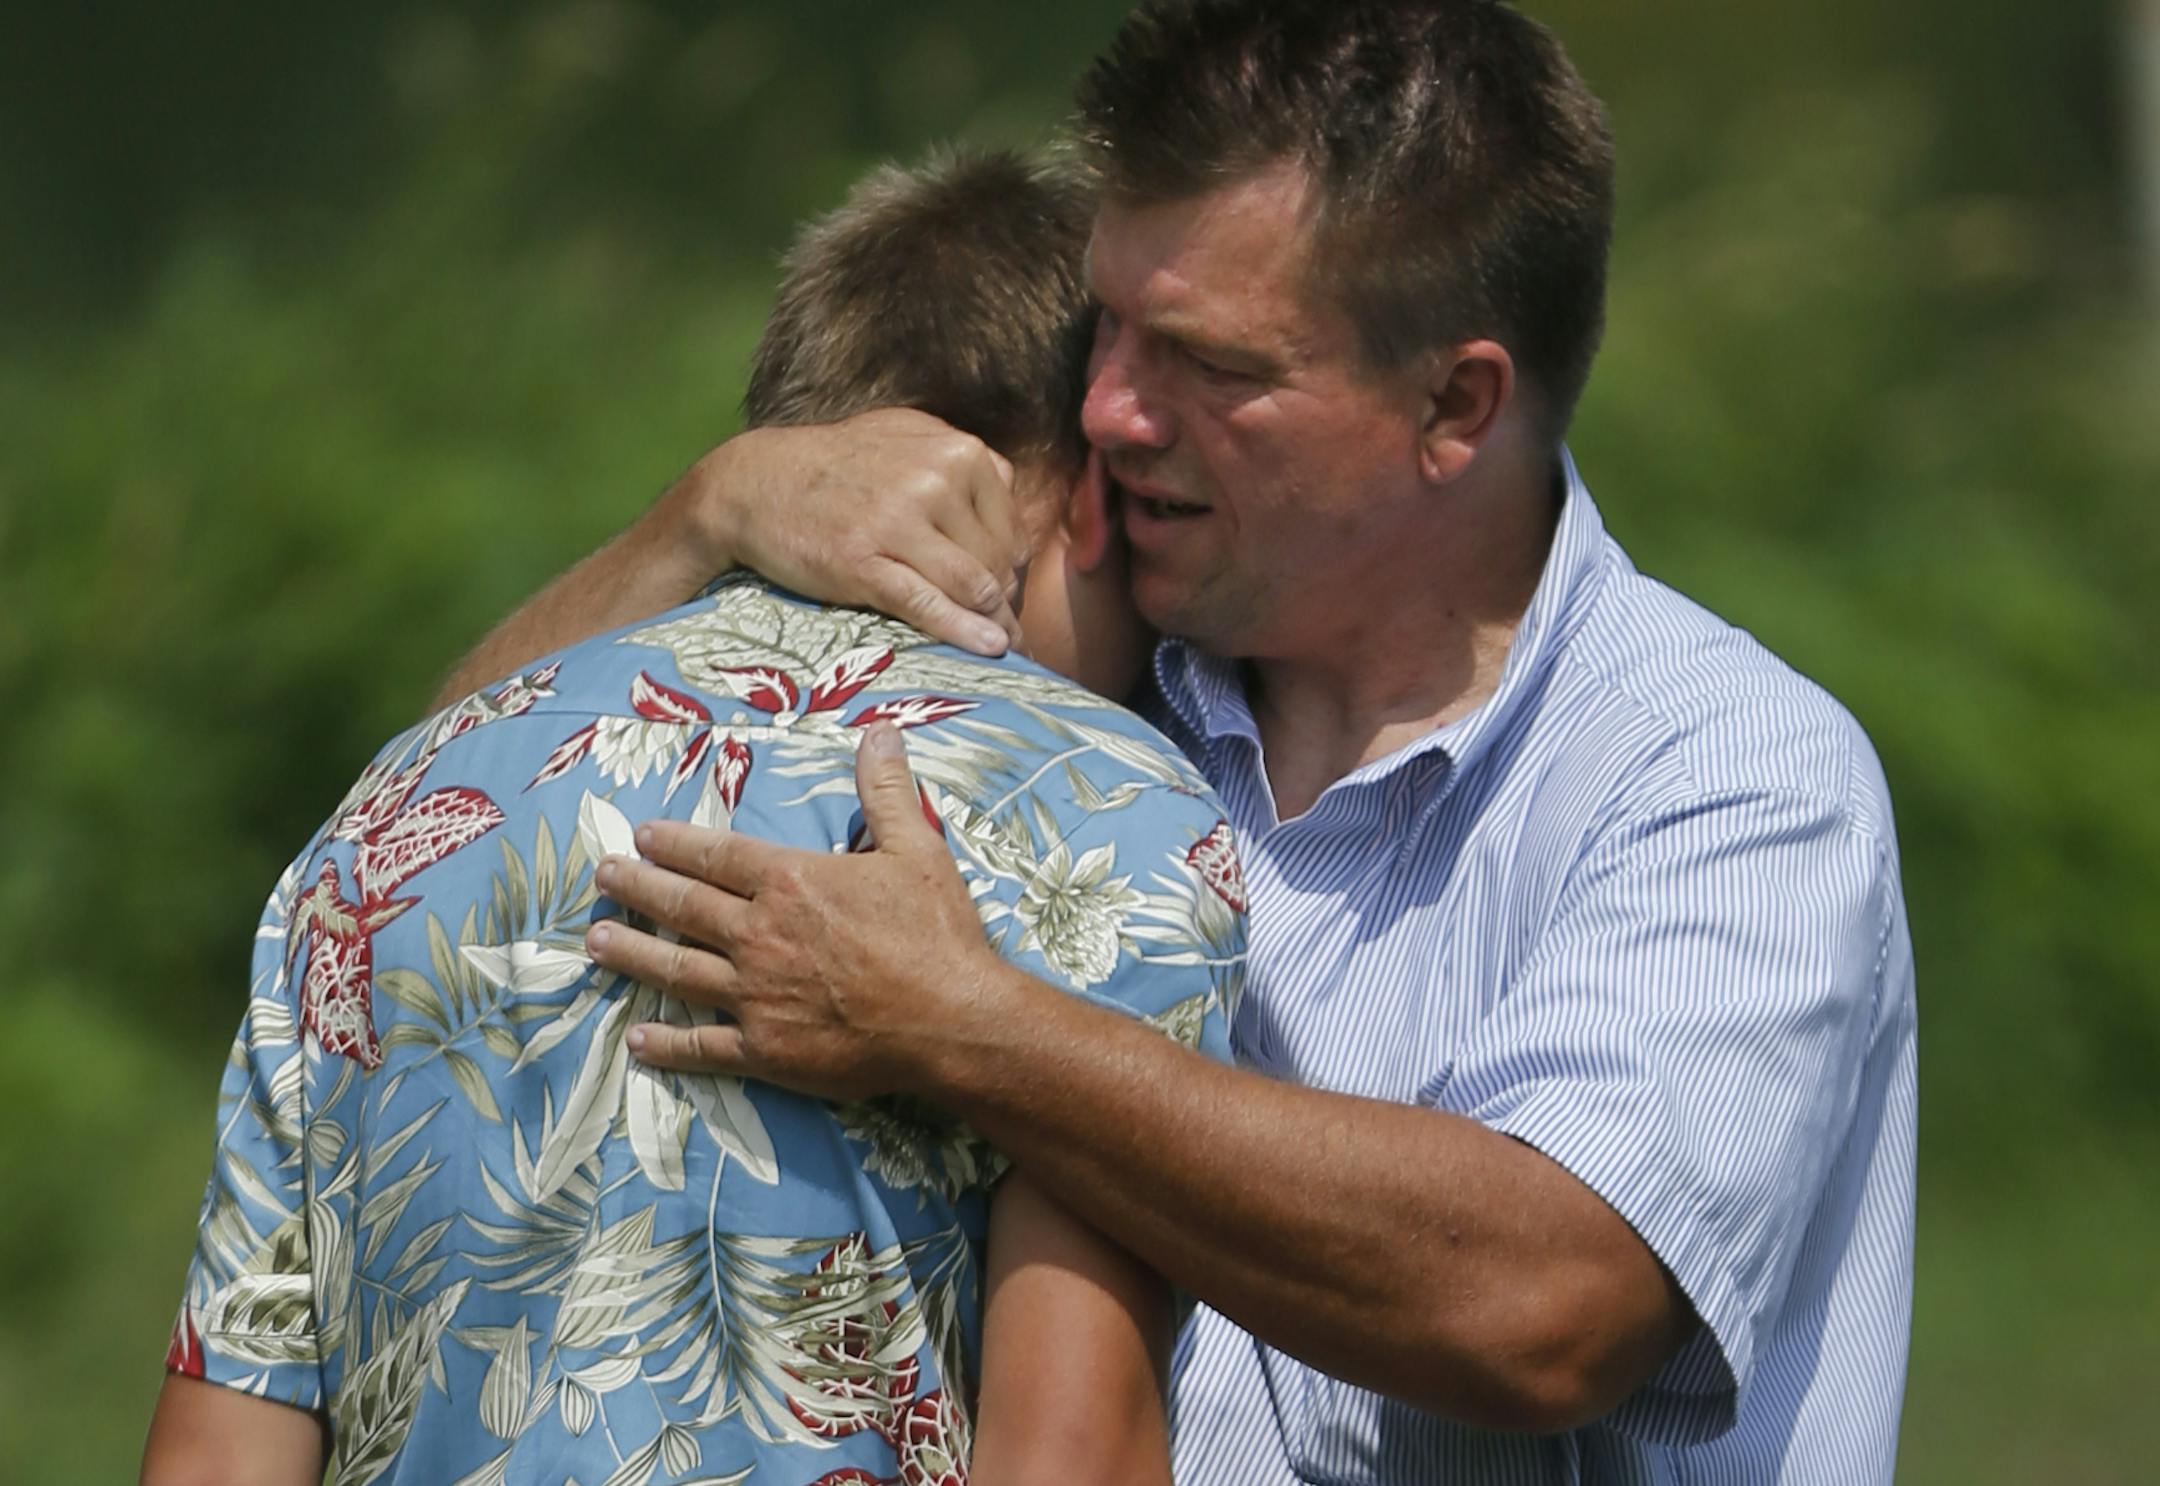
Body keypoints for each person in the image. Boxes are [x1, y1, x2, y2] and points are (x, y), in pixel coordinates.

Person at [430, 3, 1919, 1481]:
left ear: (1453, 406)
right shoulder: (1079, 652)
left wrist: (970, 1025)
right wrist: (704, 516)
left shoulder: (1730, 774)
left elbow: (1544, 1304)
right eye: (1110, 320)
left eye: (1211, 362)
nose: (1107, 408)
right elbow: (421, 830)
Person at [141, 148, 1248, 1486]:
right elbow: (1074, 1457)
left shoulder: (383, 826)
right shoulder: (1113, 820)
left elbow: (215, 1455)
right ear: (1086, 484)